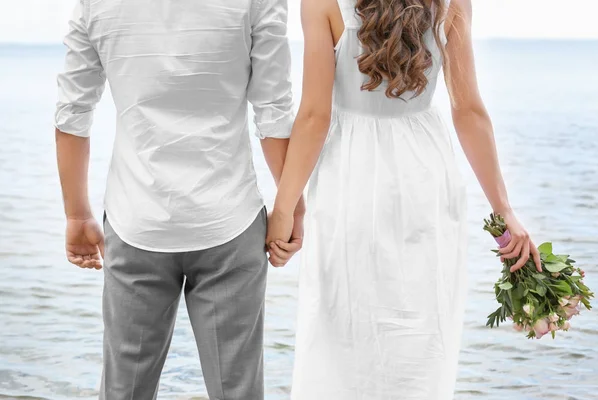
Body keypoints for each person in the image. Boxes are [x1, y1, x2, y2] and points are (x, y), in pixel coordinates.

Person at [266, 0, 543, 398]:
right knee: (423, 316)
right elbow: (469, 112)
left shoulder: (321, 3)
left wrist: (284, 207)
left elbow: (314, 116)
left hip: (350, 172)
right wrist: (505, 210)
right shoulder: (452, 4)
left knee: (342, 318)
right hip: (425, 175)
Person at [54, 0, 302, 398]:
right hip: (229, 220)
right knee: (237, 390)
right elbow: (273, 108)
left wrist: (76, 214)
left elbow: (72, 113)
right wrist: (291, 204)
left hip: (136, 218)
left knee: (124, 391)